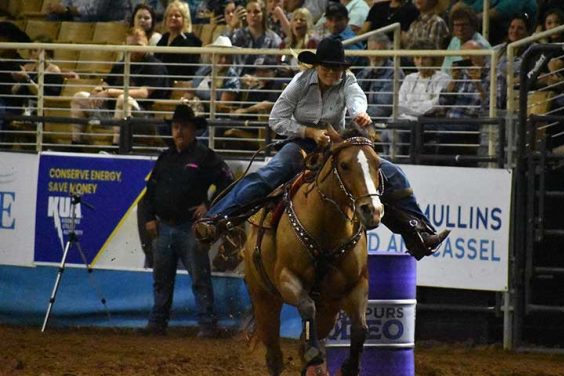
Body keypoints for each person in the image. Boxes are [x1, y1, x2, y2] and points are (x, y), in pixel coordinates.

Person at [194, 37, 450, 262]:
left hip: (334, 145)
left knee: (392, 175)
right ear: (317, 66)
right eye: (327, 66)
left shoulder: (347, 81)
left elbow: (356, 97)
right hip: (300, 142)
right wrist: (309, 132)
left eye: (336, 68)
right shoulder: (300, 82)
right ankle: (216, 219)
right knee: (272, 173)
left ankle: (419, 233)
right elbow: (276, 119)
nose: (331, 72)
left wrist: (360, 114)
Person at [142, 103, 235, 337]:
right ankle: (159, 322)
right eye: (175, 127)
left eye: (183, 127)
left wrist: (209, 206)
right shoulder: (165, 157)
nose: (178, 132)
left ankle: (206, 324)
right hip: (164, 226)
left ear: (194, 130)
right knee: (162, 279)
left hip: (189, 227)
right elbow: (150, 192)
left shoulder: (204, 156)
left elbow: (227, 180)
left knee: (199, 278)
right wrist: (149, 217)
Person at [70, 27, 170, 144]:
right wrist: (98, 90)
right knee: (79, 97)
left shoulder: (155, 66)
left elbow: (143, 93)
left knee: (123, 99)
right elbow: (106, 83)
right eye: (130, 46)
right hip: (113, 114)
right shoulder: (121, 64)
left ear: (147, 43)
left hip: (142, 117)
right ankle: (76, 143)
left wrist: (109, 92)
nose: (134, 50)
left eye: (138, 45)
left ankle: (117, 147)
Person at [230, 0, 282, 76]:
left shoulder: (273, 39)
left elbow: (277, 66)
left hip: (264, 82)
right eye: (249, 12)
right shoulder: (237, 35)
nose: (252, 15)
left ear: (263, 14)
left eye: (256, 12)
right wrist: (231, 26)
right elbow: (220, 49)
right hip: (238, 82)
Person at [356, 34, 401, 121]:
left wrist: (358, 115)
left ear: (387, 52)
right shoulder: (364, 71)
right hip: (359, 118)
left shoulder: (394, 72)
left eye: (379, 51)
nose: (375, 56)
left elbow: (384, 108)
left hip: (378, 121)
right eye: (372, 51)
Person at [155, 1, 203, 80]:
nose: (173, 18)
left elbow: (186, 70)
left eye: (177, 16)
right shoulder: (164, 38)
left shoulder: (190, 41)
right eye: (170, 15)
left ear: (184, 19)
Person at [441, 3, 490, 73]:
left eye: (464, 25)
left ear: (472, 25)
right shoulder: (455, 41)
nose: (460, 29)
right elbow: (445, 69)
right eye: (457, 25)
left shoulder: (481, 45)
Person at [46, 0, 129, 22]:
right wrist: (57, 8)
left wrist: (67, 9)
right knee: (53, 16)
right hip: (76, 20)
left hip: (100, 22)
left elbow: (94, 12)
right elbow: (65, 4)